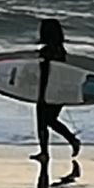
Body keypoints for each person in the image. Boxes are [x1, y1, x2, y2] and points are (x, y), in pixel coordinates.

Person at [31, 18, 81, 163]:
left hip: (48, 91)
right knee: (49, 121)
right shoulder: (61, 51)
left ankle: (49, 151)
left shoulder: (46, 52)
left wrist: (41, 94)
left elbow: (46, 75)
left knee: (43, 122)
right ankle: (68, 142)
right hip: (59, 92)